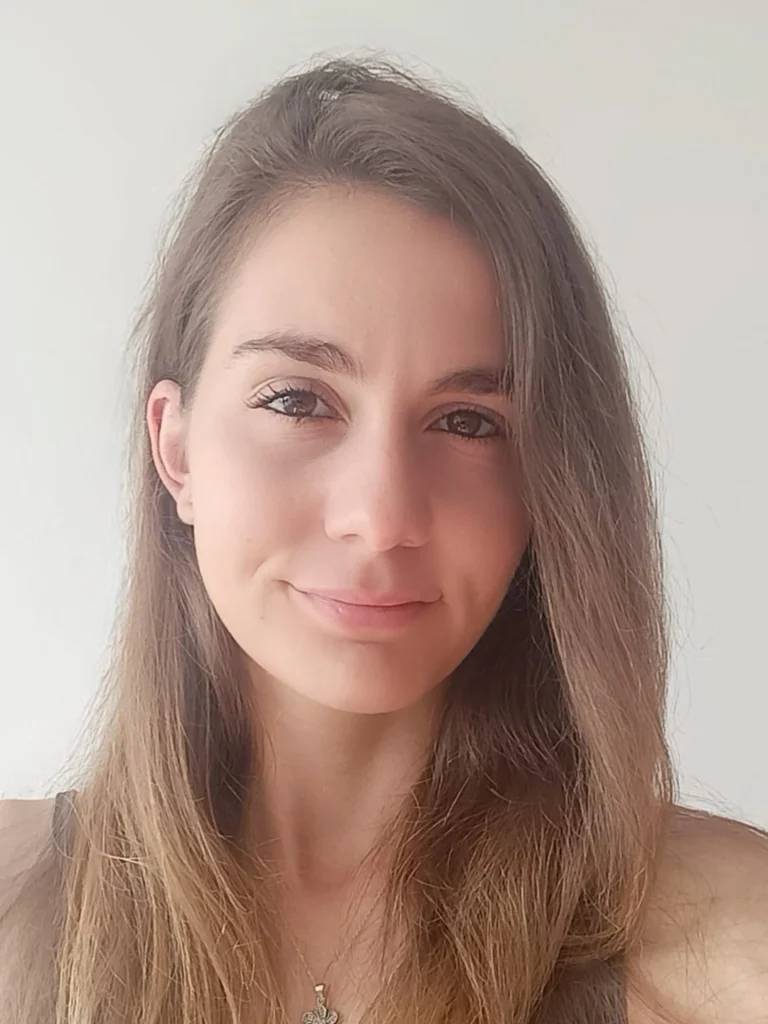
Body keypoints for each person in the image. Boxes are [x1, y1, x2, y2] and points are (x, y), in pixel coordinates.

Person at [0, 55, 766, 1024]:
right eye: (297, 400)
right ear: (176, 448)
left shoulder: (728, 941)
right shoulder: (14, 910)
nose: (382, 513)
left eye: (469, 421)